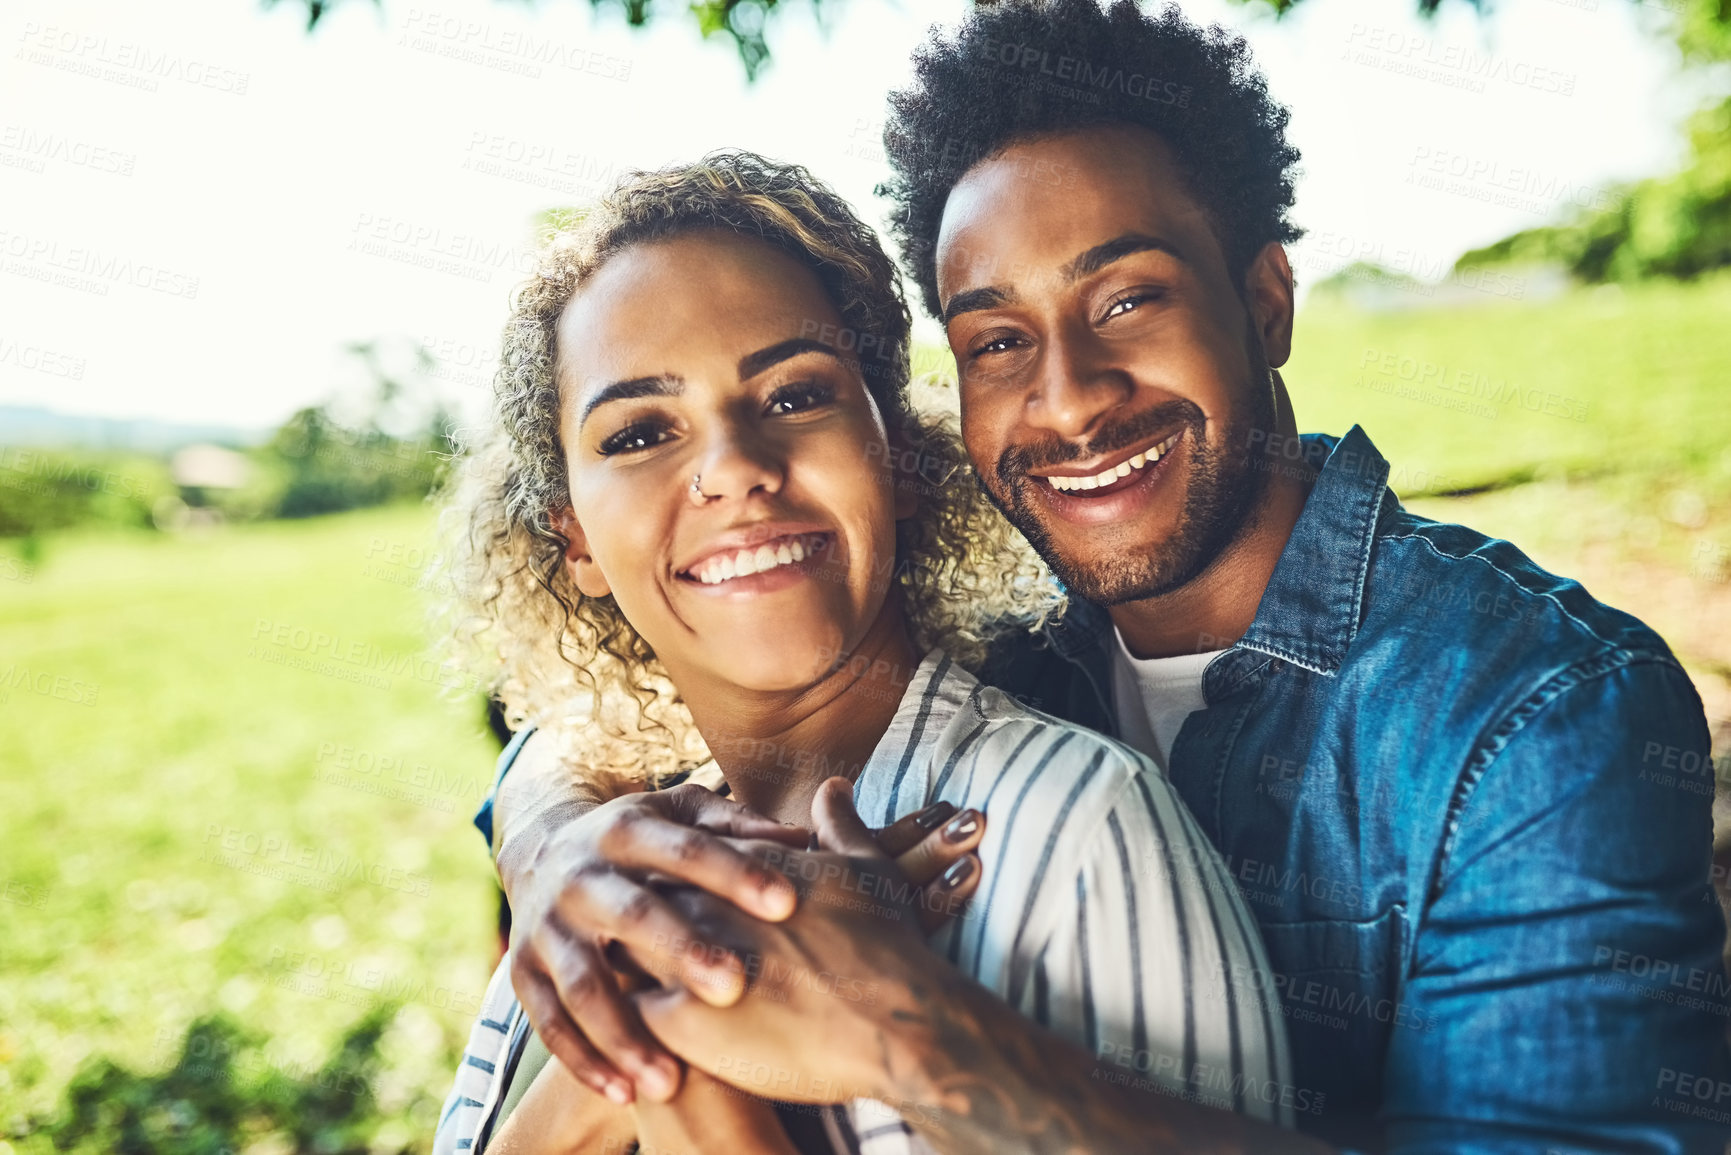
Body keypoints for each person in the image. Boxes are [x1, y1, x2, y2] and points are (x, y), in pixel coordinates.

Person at [479, 3, 1731, 1151]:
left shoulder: (1534, 716)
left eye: (1127, 300)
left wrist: (909, 1036)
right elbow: (573, 746)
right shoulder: (1025, 641)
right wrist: (553, 848)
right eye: (999, 340)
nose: (1069, 397)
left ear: (1266, 303)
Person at [432, 149, 1294, 1154]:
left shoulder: (1071, 826)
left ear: (906, 459)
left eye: (795, 395)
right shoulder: (593, 888)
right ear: (573, 537)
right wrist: (642, 1041)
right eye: (638, 433)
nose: (736, 470)